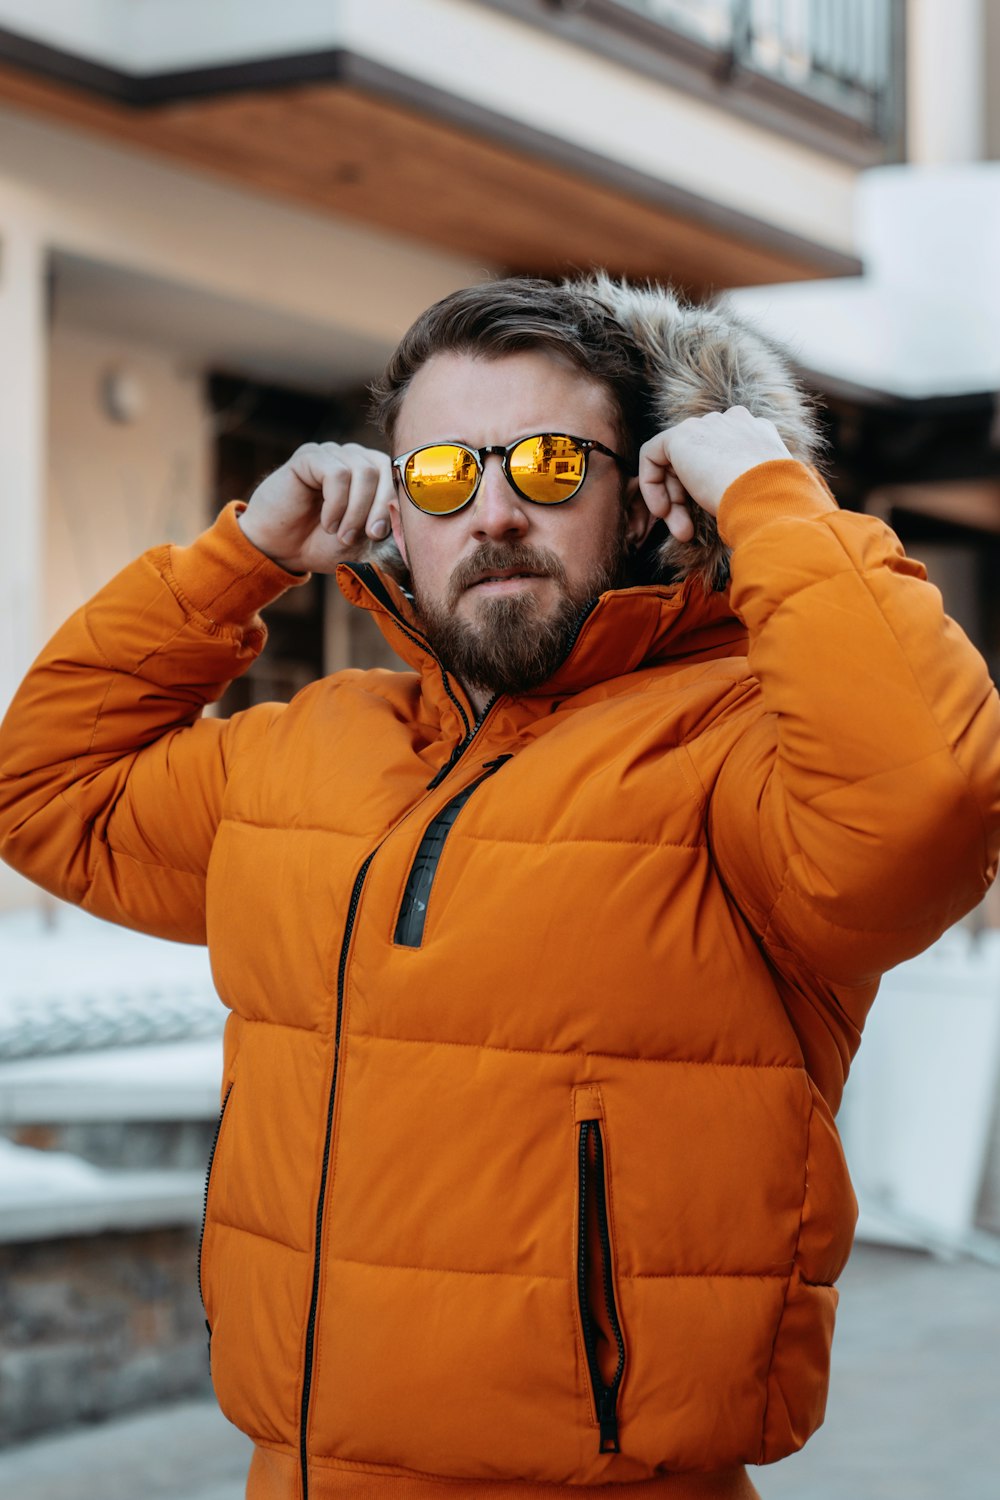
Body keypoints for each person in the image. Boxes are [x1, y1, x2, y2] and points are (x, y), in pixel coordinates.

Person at [1, 275, 999, 1500]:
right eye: (439, 475)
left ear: (648, 494)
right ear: (395, 514)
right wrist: (239, 557)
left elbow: (924, 806)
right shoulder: (303, 749)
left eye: (546, 462)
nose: (492, 512)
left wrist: (764, 493)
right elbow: (41, 790)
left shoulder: (734, 749)